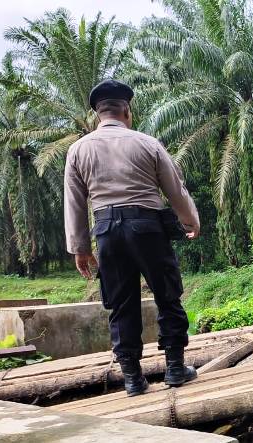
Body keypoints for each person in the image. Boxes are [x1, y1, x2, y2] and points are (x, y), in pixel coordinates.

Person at [64, 79, 201, 397]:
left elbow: (74, 202)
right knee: (167, 296)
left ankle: (132, 379)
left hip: (107, 231)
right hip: (148, 228)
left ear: (99, 114)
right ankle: (176, 369)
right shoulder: (147, 143)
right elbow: (175, 189)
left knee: (122, 304)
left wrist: (80, 249)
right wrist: (190, 221)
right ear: (126, 110)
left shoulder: (78, 150)